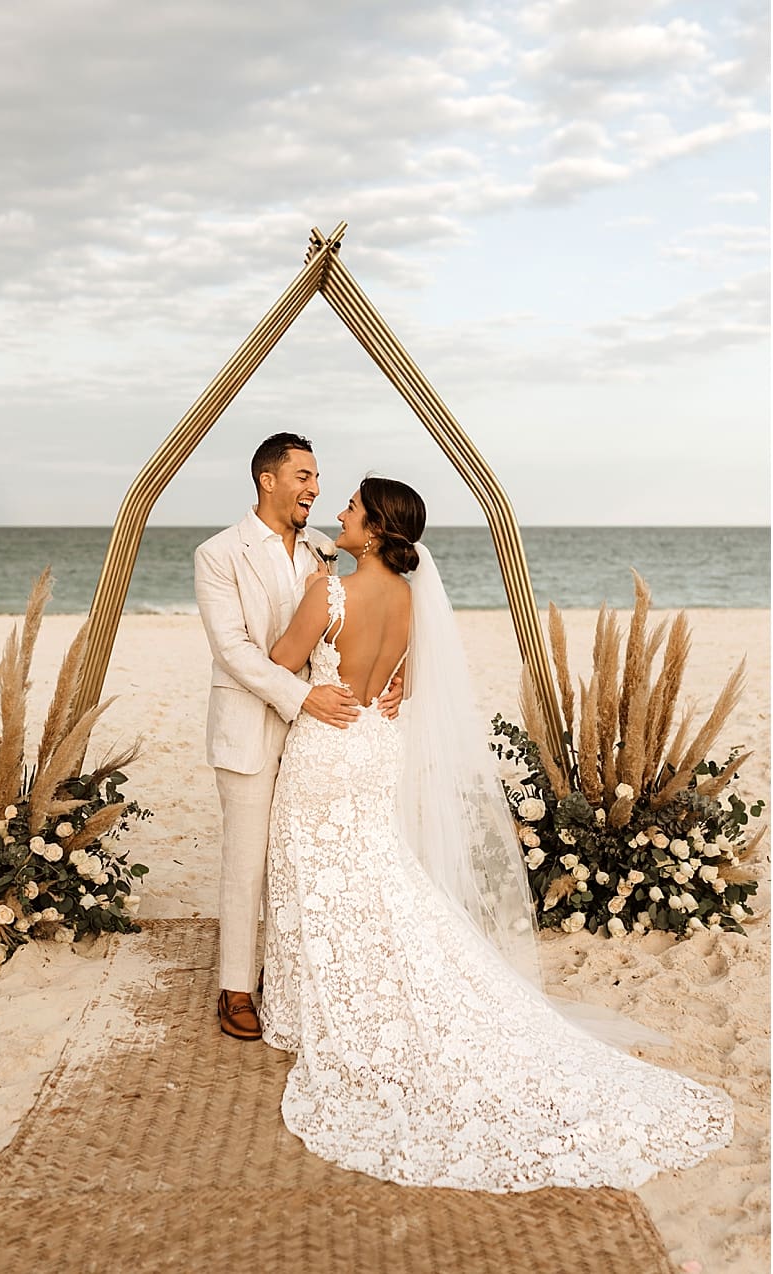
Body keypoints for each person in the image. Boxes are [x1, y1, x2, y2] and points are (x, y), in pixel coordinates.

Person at [256, 475, 733, 1190]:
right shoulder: (413, 600)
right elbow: (408, 687)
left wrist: (313, 674)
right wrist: (380, 683)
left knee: (316, 869)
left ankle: (305, 1006)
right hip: (376, 749)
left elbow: (277, 666)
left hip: (328, 747)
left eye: (352, 507)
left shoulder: (330, 592)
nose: (340, 513)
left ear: (380, 528)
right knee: (373, 870)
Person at [192, 433, 401, 1041]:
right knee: (248, 858)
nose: (315, 489)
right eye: (304, 476)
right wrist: (300, 696)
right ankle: (235, 986)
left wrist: (389, 684)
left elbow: (352, 626)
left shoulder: (323, 551)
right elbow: (232, 650)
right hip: (254, 724)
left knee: (305, 859)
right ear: (269, 480)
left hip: (322, 734)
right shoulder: (219, 554)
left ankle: (295, 972)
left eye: (316, 478)